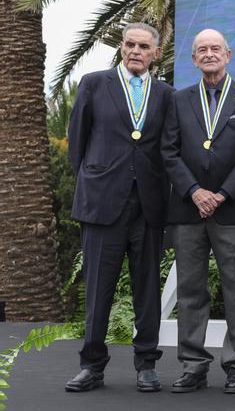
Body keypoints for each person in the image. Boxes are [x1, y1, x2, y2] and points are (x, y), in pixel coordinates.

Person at [66, 23, 174, 392]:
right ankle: (91, 365)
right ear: (121, 47)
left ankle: (146, 364)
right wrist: (94, 183)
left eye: (144, 46)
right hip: (101, 204)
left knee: (147, 290)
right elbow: (77, 145)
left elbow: (167, 149)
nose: (135, 51)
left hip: (148, 204)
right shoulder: (94, 83)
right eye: (129, 44)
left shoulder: (166, 94)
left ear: (155, 53)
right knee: (98, 289)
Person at [161, 29, 235, 394]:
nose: (209, 54)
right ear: (193, 59)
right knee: (190, 290)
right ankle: (193, 364)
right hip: (188, 209)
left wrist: (220, 194)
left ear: (228, 54)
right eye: (201, 50)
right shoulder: (178, 99)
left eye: (215, 48)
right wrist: (194, 191)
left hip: (232, 208)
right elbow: (168, 151)